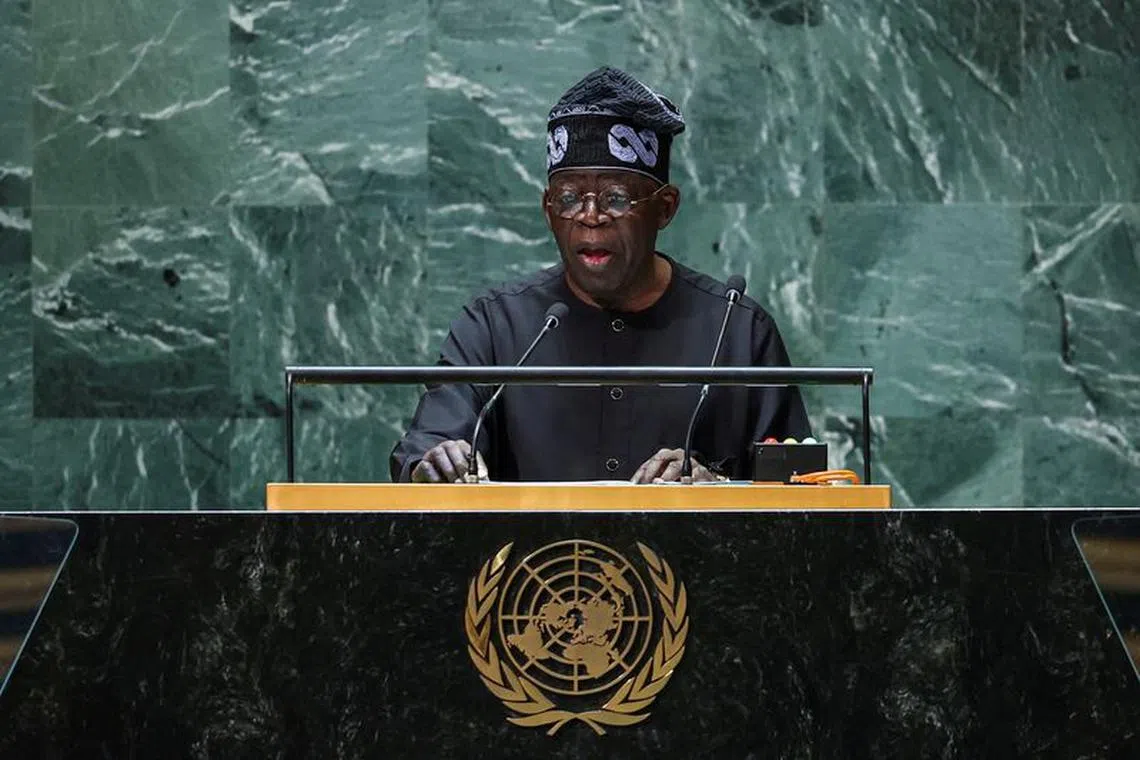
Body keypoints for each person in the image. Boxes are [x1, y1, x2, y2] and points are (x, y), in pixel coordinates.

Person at [390, 67, 810, 484]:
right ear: (548, 210)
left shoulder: (736, 331)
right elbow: (429, 445)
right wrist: (435, 462)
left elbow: (798, 488)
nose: (591, 218)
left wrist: (715, 489)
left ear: (664, 208)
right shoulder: (494, 327)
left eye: (616, 198)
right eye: (569, 198)